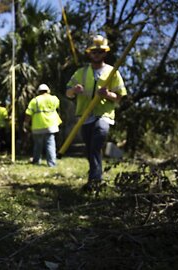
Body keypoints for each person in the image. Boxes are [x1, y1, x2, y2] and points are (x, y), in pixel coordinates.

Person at [65, 34, 127, 191]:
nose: (97, 54)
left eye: (100, 52)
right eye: (94, 52)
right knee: (91, 148)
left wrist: (108, 95)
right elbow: (68, 93)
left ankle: (95, 180)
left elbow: (119, 97)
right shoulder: (81, 73)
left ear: (105, 53)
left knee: (97, 140)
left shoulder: (113, 72)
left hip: (104, 115)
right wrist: (74, 90)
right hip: (85, 117)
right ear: (89, 53)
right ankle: (95, 175)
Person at [23, 84, 62, 166]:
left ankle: (36, 161)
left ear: (38, 91)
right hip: (51, 125)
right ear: (48, 91)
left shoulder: (35, 100)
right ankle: (51, 163)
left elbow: (28, 113)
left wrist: (26, 123)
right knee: (50, 144)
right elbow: (57, 106)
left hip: (38, 126)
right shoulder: (54, 99)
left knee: (38, 145)